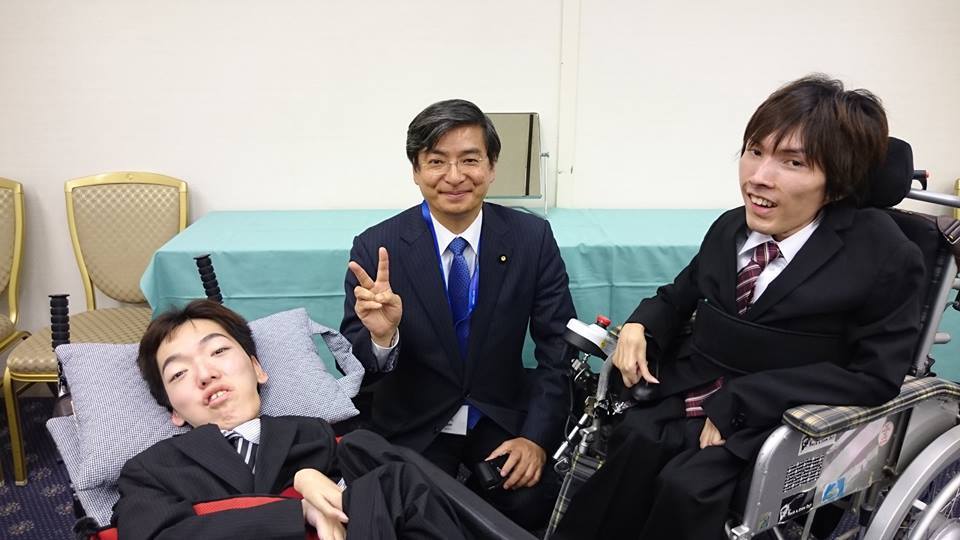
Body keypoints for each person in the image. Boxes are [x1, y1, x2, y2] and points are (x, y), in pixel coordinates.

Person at [552, 75, 925, 539]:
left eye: (793, 162)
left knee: (687, 488)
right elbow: (677, 295)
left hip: (781, 418)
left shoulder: (884, 255)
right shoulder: (730, 229)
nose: (758, 177)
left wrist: (747, 399)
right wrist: (639, 326)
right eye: (755, 151)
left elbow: (876, 377)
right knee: (635, 441)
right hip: (694, 387)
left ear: (835, 184)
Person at [340, 98, 577, 530]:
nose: (454, 176)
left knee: (531, 502)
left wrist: (536, 439)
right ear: (416, 170)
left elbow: (558, 349)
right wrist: (382, 338)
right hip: (415, 417)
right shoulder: (377, 246)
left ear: (491, 166)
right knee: (415, 512)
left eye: (469, 159)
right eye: (436, 161)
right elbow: (358, 365)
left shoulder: (531, 238)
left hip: (498, 411)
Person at [113, 299, 467, 540]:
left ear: (257, 368)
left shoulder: (316, 436)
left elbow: (391, 508)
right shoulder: (150, 470)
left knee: (395, 476)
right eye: (178, 373)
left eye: (218, 351)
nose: (205, 374)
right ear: (173, 410)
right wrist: (297, 511)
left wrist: (314, 478)